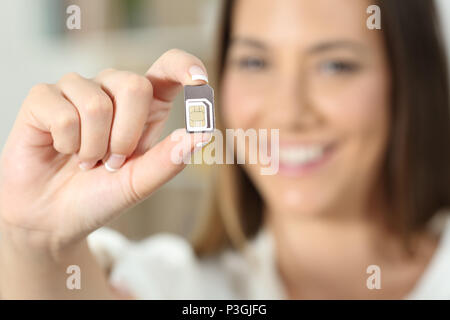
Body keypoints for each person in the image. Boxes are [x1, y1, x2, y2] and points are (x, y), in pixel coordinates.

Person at [1, 0, 450, 299]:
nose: (289, 112)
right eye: (255, 61)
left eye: (336, 65)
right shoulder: (182, 289)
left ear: (410, 81)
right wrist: (36, 243)